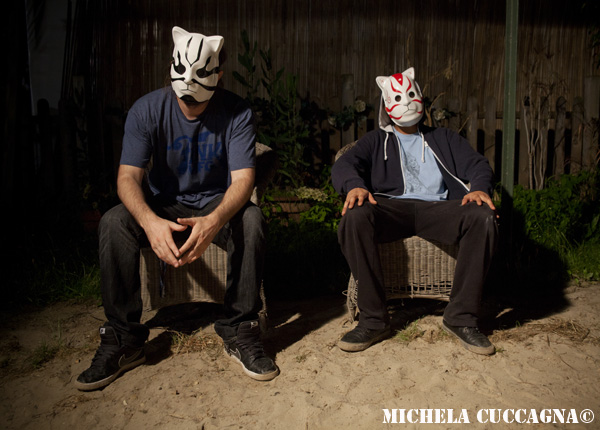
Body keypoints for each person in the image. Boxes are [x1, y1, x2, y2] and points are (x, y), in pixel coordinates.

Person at [75, 26, 279, 391]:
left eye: (201, 76)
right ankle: (123, 338)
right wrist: (150, 221)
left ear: (218, 74)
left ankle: (240, 328)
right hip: (164, 203)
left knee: (251, 218)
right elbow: (127, 177)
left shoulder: (237, 112)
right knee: (113, 222)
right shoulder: (147, 110)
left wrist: (214, 220)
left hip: (214, 202)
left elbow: (243, 180)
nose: (189, 89)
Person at [332, 67, 498, 355]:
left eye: (411, 95)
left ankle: (461, 318)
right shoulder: (376, 140)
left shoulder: (444, 138)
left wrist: (480, 188)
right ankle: (373, 320)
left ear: (420, 96)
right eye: (399, 97)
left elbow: (478, 164)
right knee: (354, 216)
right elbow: (345, 164)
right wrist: (354, 186)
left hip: (439, 208)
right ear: (387, 104)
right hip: (390, 207)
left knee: (482, 216)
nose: (407, 102)